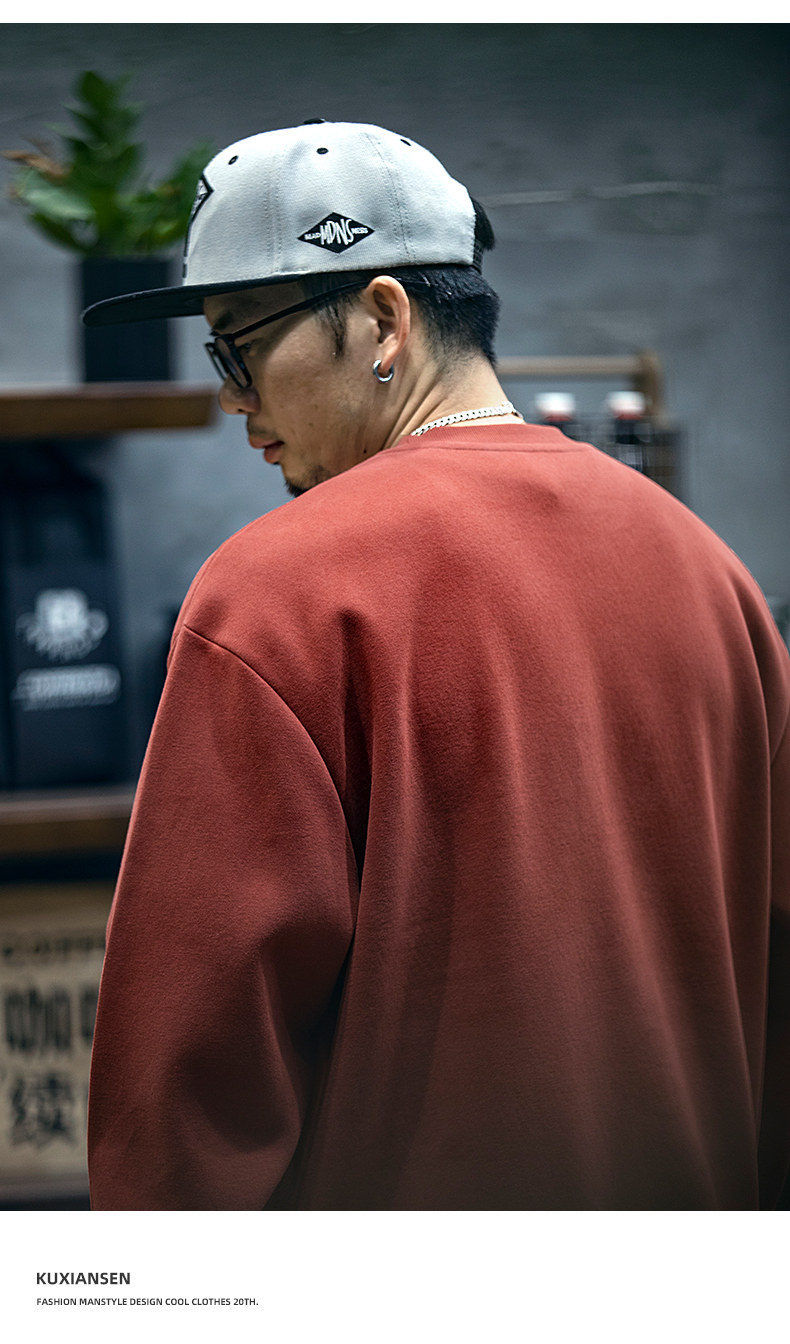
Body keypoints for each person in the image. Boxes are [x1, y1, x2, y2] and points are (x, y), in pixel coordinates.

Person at [83, 120, 790, 1211]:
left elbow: (187, 1088)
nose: (231, 396)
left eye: (238, 346)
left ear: (382, 319)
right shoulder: (709, 573)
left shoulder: (274, 595)